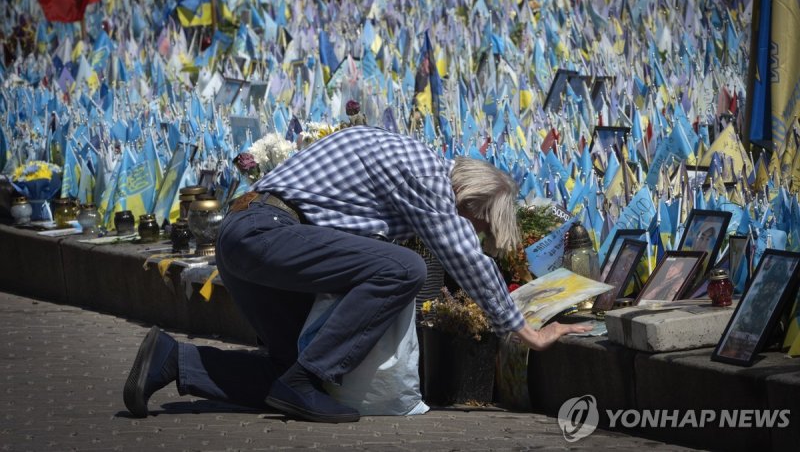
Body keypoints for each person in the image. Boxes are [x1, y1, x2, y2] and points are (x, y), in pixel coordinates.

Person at [123, 127, 589, 423]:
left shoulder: (411, 171)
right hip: (264, 234)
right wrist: (525, 330)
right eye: (479, 223)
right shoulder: (427, 173)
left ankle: (175, 360)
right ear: (470, 201)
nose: (472, 232)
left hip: (248, 237)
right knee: (404, 269)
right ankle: (306, 379)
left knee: (285, 370)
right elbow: (464, 256)